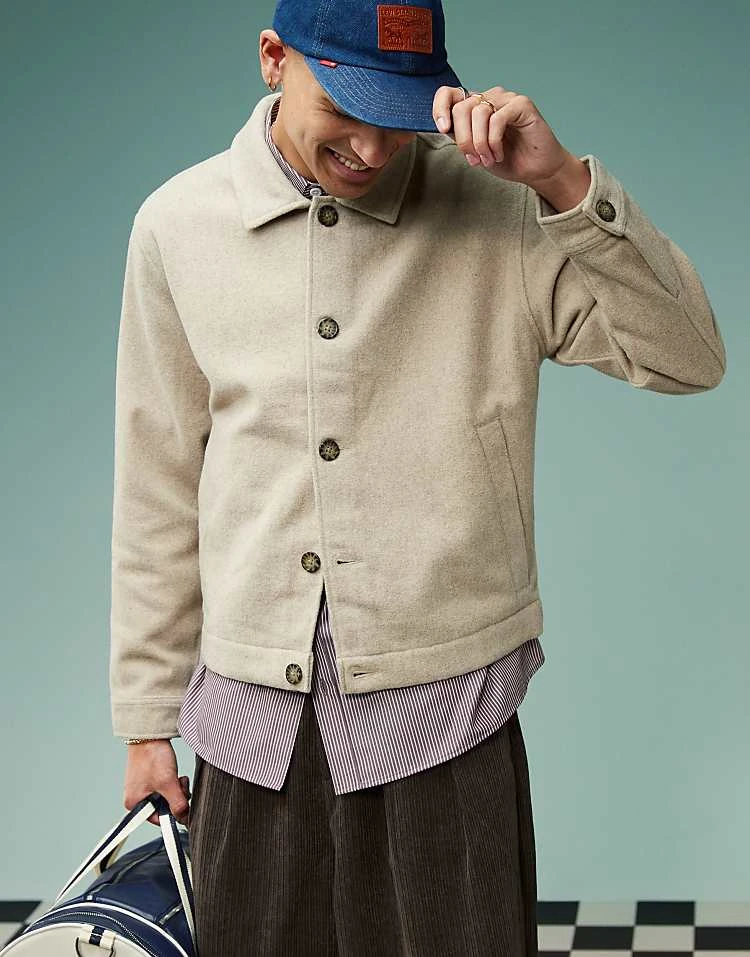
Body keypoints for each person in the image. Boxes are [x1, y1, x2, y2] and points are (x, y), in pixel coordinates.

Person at [109, 0, 726, 954]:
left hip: (447, 719)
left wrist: (562, 184)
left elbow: (688, 355)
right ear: (273, 59)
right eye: (343, 106)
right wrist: (148, 721)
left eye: (396, 113)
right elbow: (156, 481)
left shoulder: (505, 214)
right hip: (250, 730)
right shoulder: (176, 227)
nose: (370, 147)